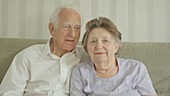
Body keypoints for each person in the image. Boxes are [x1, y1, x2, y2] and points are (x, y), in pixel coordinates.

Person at [0, 5, 88, 96]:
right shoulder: (27, 57)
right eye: (66, 27)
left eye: (77, 28)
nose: (73, 34)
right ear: (52, 29)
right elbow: (9, 92)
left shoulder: (87, 57)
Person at [70, 17, 157, 96]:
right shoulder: (80, 72)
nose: (99, 46)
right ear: (87, 48)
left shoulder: (136, 69)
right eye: (93, 41)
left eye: (105, 41)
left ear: (116, 47)